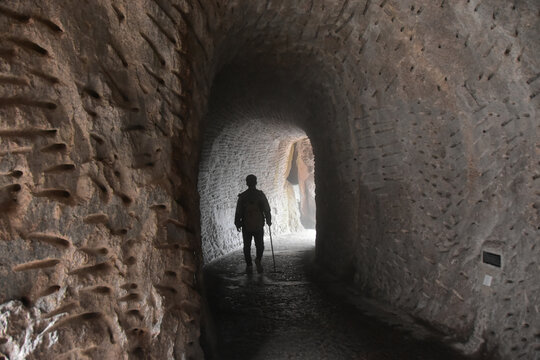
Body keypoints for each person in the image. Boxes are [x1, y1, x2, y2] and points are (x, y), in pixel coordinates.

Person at [234, 174, 272, 273]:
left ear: (247, 183)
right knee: (260, 245)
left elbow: (238, 211)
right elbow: (267, 209)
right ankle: (258, 259)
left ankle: (249, 264)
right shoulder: (260, 195)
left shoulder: (242, 196)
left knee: (247, 246)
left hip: (246, 225)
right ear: (256, 182)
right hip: (259, 224)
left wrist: (237, 223)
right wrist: (268, 220)